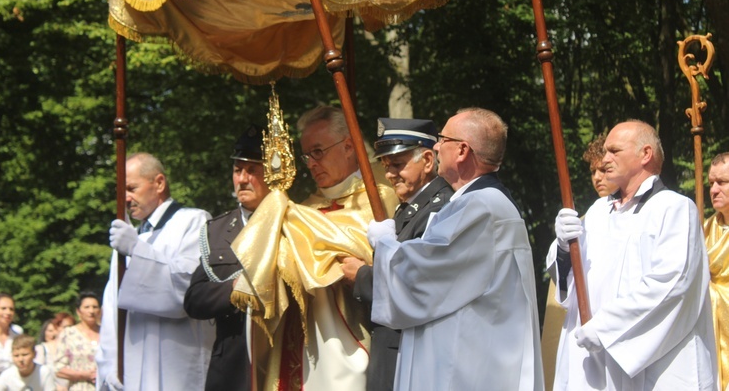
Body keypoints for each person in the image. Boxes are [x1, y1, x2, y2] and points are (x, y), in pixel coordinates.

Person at [369, 107, 543, 391]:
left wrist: (385, 243)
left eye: (442, 139)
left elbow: (421, 278)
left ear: (462, 150)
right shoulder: (479, 203)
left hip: (464, 370)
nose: (436, 145)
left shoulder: (481, 207)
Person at [230, 105, 399, 391]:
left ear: (348, 146)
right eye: (307, 155)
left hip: (352, 337)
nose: (311, 163)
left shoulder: (381, 199)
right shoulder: (304, 209)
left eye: (318, 151)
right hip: (300, 345)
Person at [549, 120, 716, 390]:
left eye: (614, 151)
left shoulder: (674, 209)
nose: (604, 159)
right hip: (594, 362)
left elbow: (671, 284)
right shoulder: (597, 212)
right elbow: (572, 281)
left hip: (657, 364)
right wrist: (564, 248)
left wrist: (604, 328)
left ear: (645, 154)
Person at [339, 118, 453, 391]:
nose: (389, 174)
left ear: (427, 160)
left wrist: (362, 276)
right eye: (386, 165)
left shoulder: (441, 210)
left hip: (412, 352)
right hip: (393, 347)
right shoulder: (410, 208)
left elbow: (419, 283)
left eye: (398, 164)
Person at [96, 152, 215, 390]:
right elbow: (111, 310)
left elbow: (187, 289)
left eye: (131, 188)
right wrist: (109, 366)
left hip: (177, 367)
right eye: (121, 192)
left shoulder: (194, 222)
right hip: (130, 371)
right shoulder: (126, 239)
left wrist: (137, 250)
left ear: (159, 183)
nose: (125, 199)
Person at [184, 125, 271, 391]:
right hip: (232, 368)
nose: (242, 179)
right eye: (237, 170)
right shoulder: (218, 230)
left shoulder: (295, 222)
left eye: (252, 170)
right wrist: (233, 290)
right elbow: (194, 300)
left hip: (282, 357)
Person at [540, 132, 619, 390]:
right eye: (592, 171)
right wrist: (562, 246)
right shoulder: (584, 221)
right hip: (579, 340)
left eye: (603, 170)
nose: (597, 177)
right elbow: (562, 286)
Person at [704, 152, 729, 390]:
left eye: (722, 182)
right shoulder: (703, 228)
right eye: (711, 183)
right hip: (709, 332)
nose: (713, 190)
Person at [55, 292, 101, 390]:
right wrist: (84, 375)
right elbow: (58, 369)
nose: (91, 311)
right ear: (78, 311)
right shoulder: (68, 334)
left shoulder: (107, 334)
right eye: (87, 307)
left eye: (95, 307)